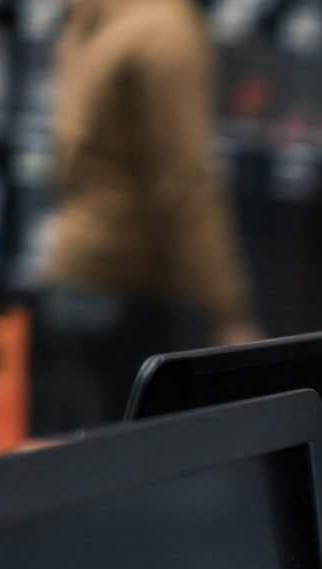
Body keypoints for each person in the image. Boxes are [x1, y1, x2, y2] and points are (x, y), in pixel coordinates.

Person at [38, 0, 260, 433]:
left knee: (91, 456)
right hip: (130, 281)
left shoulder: (94, 17)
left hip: (74, 266)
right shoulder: (166, 31)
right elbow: (184, 184)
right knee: (135, 465)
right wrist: (229, 310)